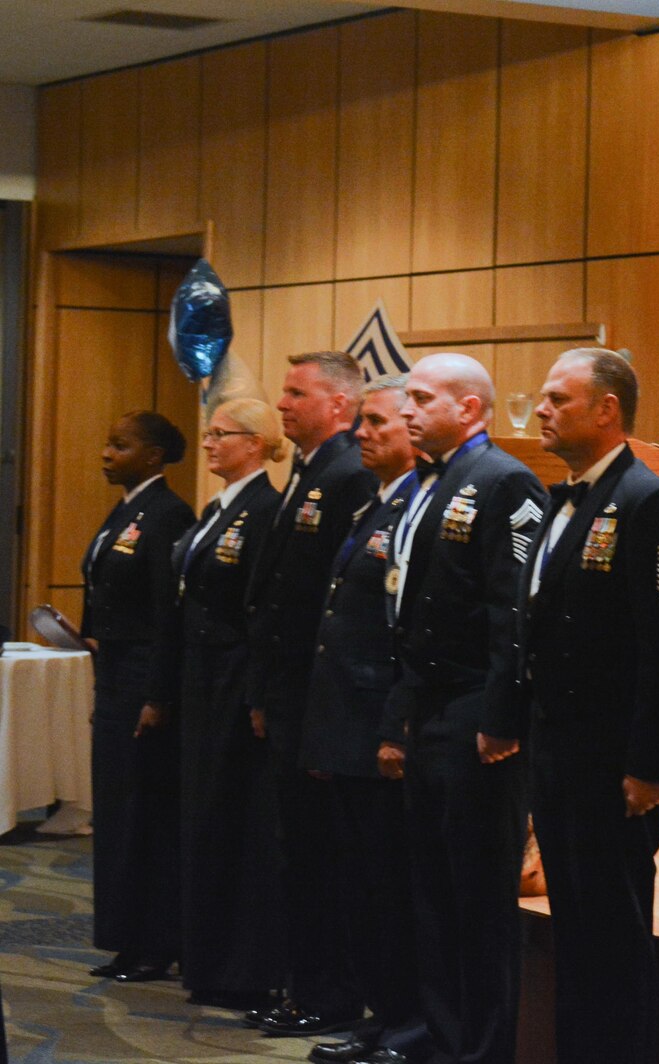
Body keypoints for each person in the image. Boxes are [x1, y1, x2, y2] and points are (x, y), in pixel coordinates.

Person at [519, 348, 659, 1064]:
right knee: (576, 931)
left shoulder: (649, 501)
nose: (541, 409)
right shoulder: (566, 498)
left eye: (558, 398)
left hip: (616, 764)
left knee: (616, 937)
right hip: (560, 756)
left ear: (607, 411)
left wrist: (653, 764)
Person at [382, 353, 547, 1064]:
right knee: (433, 892)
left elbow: (515, 608)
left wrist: (502, 715)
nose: (408, 410)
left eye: (422, 398)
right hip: (431, 706)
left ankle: (482, 1048)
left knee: (478, 898)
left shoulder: (505, 481)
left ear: (470, 409)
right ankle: (441, 1037)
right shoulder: (431, 480)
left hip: (478, 712)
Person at [241, 350, 377, 1037]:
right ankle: (303, 983)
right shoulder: (308, 471)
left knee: (321, 855)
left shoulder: (350, 474)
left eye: (297, 393)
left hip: (319, 697)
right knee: (295, 849)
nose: (283, 404)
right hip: (290, 692)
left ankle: (327, 993)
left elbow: (334, 604)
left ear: (339, 404)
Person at [300, 375, 424, 1064]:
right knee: (363, 889)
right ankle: (383, 1019)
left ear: (415, 428)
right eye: (362, 422)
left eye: (378, 422)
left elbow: (405, 634)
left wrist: (390, 728)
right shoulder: (378, 504)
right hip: (345, 725)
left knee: (388, 887)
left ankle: (406, 1023)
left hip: (381, 726)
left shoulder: (416, 505)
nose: (361, 433)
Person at [167, 398, 285, 1008]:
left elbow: (259, 608)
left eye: (223, 434)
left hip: (235, 679)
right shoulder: (218, 508)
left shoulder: (265, 510)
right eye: (207, 432)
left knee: (234, 821)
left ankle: (241, 966)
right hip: (201, 676)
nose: (209, 443)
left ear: (259, 443)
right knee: (203, 818)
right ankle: (206, 957)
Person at [83, 411, 195, 984]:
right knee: (116, 815)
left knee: (143, 818)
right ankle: (125, 938)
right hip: (116, 676)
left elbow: (165, 614)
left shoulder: (168, 513)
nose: (106, 453)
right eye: (108, 442)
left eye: (119, 445)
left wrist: (158, 694)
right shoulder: (127, 509)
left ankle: (154, 942)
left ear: (153, 456)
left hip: (144, 685)